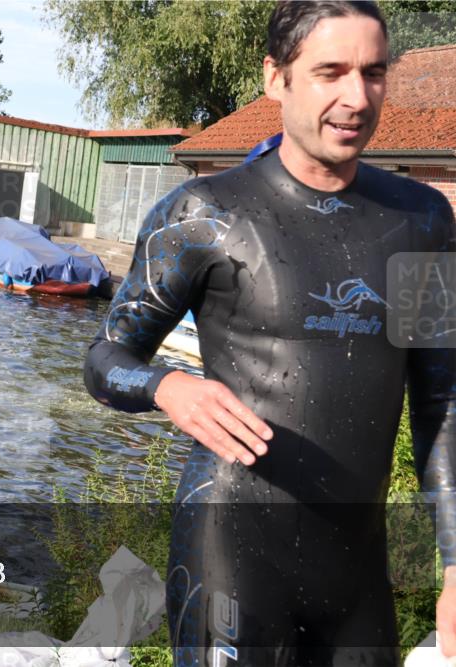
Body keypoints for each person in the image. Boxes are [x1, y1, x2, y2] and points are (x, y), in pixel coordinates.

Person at [83, 2, 455, 664]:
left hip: (357, 571)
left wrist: (455, 560)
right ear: (276, 78)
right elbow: (105, 358)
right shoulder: (203, 213)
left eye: (372, 73)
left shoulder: (422, 218)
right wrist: (168, 386)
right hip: (231, 551)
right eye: (330, 72)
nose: (356, 97)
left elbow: (441, 402)